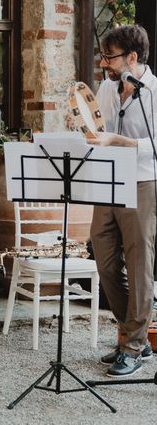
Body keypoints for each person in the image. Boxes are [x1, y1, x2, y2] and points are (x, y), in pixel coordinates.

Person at [87, 24, 156, 377]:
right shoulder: (106, 87)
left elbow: (155, 146)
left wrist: (117, 141)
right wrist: (83, 128)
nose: (104, 63)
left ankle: (131, 346)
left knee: (140, 262)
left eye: (110, 56)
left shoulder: (155, 92)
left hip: (143, 180)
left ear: (132, 57)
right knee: (105, 261)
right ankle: (137, 337)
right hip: (107, 180)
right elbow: (98, 131)